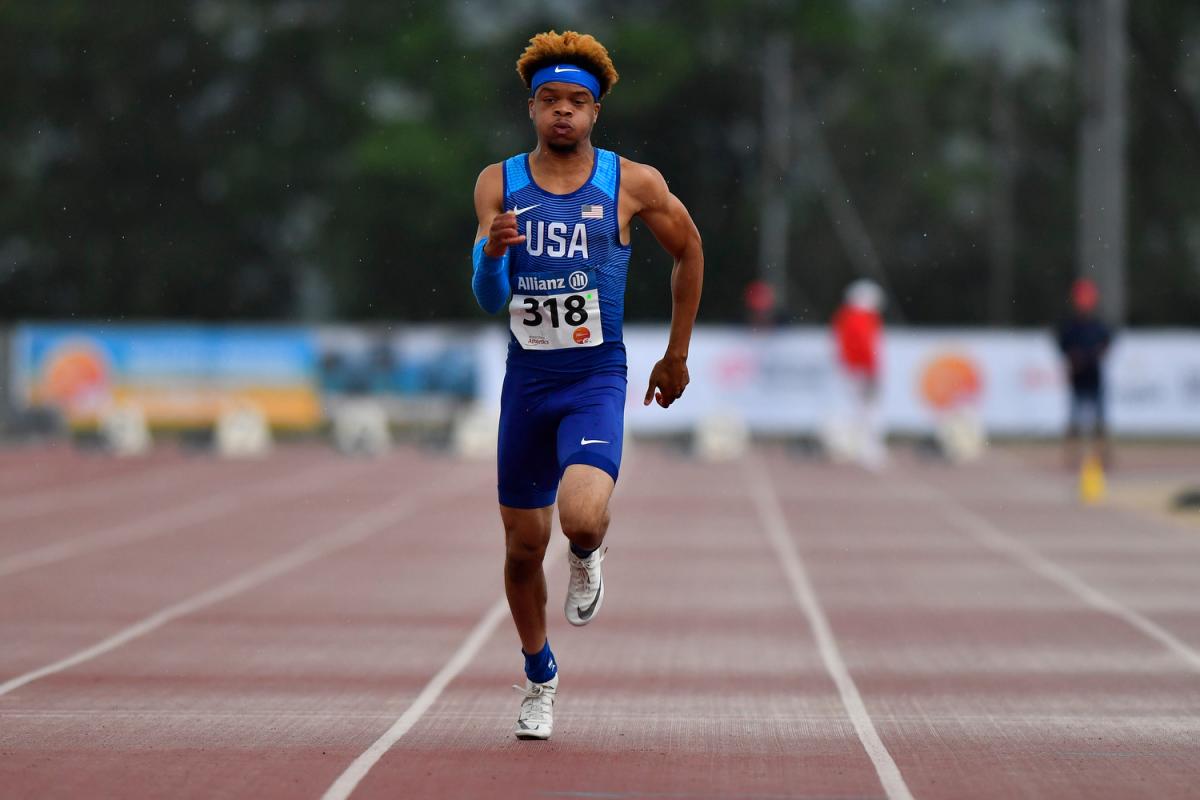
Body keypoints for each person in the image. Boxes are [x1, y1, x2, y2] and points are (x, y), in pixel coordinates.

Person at [470, 30, 703, 740]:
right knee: (518, 550)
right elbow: (487, 298)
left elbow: (689, 250)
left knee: (580, 515)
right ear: (531, 109)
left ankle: (589, 552)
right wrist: (491, 256)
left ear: (596, 110)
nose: (562, 113)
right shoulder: (498, 182)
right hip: (528, 382)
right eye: (550, 101)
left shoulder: (632, 183)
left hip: (595, 376)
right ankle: (539, 675)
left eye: (577, 101)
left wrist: (676, 354)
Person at [829, 279, 887, 469]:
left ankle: (855, 447)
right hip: (861, 370)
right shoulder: (863, 318)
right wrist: (871, 371)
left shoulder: (844, 316)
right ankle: (868, 450)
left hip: (850, 369)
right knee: (868, 411)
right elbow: (866, 346)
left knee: (857, 410)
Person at [1057, 278, 1113, 469]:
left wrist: (1096, 354)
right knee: (1074, 421)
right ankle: (1072, 458)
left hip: (1094, 378)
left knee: (1099, 421)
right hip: (1078, 378)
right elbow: (1063, 347)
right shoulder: (1071, 327)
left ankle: (1102, 457)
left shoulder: (1098, 326)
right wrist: (1075, 358)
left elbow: (1107, 343)